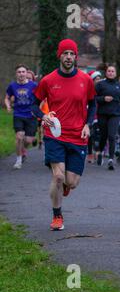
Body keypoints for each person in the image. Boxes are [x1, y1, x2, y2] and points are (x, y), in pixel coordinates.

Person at [31, 38, 96, 231]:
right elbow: (34, 105)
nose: (68, 57)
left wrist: (88, 124)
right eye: (65, 53)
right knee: (58, 177)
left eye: (72, 54)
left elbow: (93, 104)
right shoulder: (48, 80)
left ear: (76, 57)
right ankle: (57, 216)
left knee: (71, 182)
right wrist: (43, 117)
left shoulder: (85, 80)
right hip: (55, 134)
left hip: (78, 136)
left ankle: (66, 187)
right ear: (59, 56)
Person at [5, 64, 38, 169]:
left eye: (23, 72)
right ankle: (18, 161)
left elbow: (41, 98)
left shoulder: (33, 85)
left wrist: (38, 110)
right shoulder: (12, 86)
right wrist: (8, 106)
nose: (21, 74)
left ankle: (23, 148)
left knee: (28, 140)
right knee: (19, 137)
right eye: (19, 72)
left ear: (26, 73)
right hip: (18, 114)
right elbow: (7, 98)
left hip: (31, 115)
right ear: (16, 74)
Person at [95, 65, 120, 170]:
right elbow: (94, 98)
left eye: (113, 71)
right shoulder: (100, 85)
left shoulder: (119, 85)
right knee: (104, 135)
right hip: (102, 113)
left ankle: (111, 159)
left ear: (115, 73)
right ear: (106, 73)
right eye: (109, 71)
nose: (111, 73)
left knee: (112, 135)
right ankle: (100, 152)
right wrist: (103, 98)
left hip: (115, 114)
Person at [87, 71, 102, 163]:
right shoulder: (88, 89)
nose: (99, 80)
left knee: (97, 136)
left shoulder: (103, 88)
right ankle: (90, 154)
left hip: (100, 115)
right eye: (96, 79)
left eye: (99, 78)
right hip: (90, 115)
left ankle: (97, 151)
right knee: (90, 136)